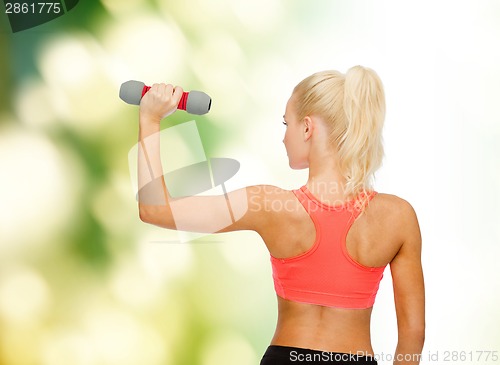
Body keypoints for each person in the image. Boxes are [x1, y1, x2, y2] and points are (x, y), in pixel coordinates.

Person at [136, 66, 425, 364]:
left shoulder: (269, 204)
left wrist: (150, 117)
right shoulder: (397, 216)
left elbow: (154, 209)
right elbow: (413, 333)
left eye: (286, 124)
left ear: (308, 128)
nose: (284, 138)